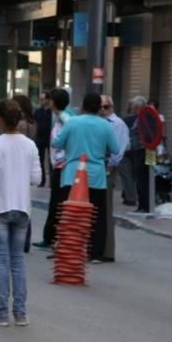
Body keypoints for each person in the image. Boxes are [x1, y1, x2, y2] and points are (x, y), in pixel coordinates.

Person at [0, 103, 42, 326]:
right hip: (22, 207)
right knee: (18, 261)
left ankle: (1, 313)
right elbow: (37, 178)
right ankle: (21, 313)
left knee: (2, 261)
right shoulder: (30, 145)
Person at [51, 92, 120, 262]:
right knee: (97, 215)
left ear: (82, 106)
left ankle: (69, 249)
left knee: (69, 214)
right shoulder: (105, 126)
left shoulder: (72, 122)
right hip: (96, 175)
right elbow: (115, 149)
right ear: (99, 108)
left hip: (72, 175)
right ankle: (95, 252)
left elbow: (56, 143)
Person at [36, 88, 73, 249]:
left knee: (58, 202)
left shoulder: (65, 118)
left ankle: (52, 237)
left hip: (62, 164)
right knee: (56, 201)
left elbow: (62, 140)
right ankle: (50, 236)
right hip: (59, 163)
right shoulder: (60, 117)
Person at [101, 95, 129, 262]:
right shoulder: (100, 122)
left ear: (112, 107)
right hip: (98, 168)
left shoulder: (117, 124)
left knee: (106, 208)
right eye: (100, 107)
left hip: (107, 170)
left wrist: (109, 168)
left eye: (106, 107)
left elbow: (118, 151)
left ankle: (107, 251)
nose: (103, 110)